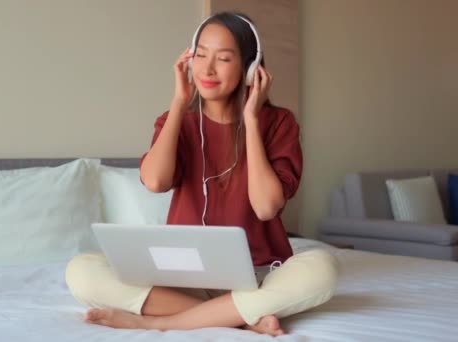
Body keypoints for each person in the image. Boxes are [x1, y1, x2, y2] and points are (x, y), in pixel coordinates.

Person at [65, 12, 338, 336]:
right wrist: (180, 103)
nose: (207, 69)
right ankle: (243, 318)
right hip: (184, 279)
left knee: (323, 267)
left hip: (260, 275)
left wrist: (251, 120)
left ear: (251, 69)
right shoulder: (175, 120)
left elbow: (265, 207)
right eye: (201, 55)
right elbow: (155, 182)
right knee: (82, 271)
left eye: (223, 58)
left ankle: (158, 320)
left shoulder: (278, 123)